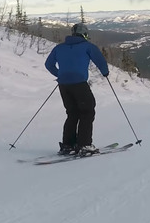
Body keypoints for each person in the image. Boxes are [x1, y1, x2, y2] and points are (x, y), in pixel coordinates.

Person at [45, 23, 110, 156]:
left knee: (72, 113)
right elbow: (100, 60)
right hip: (80, 84)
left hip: (64, 85)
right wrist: (105, 72)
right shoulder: (88, 46)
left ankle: (68, 145)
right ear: (85, 34)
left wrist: (60, 74)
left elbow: (48, 64)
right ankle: (84, 145)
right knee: (87, 112)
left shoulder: (59, 48)